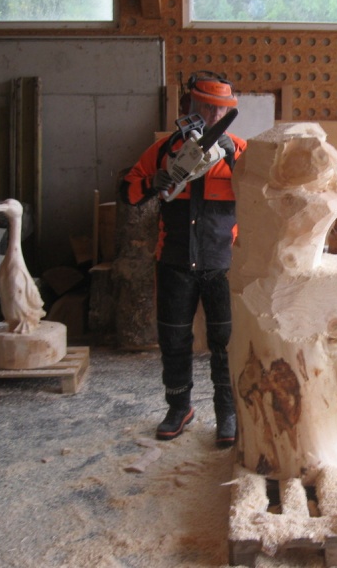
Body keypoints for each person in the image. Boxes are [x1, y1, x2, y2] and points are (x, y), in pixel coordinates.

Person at [120, 72, 247, 445]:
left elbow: (262, 193)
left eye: (220, 109)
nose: (213, 115)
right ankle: (179, 408)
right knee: (174, 338)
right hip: (174, 259)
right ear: (191, 105)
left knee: (225, 342)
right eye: (206, 107)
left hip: (223, 262)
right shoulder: (164, 149)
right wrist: (152, 182)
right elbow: (128, 191)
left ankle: (227, 413)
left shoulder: (241, 151)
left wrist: (232, 157)